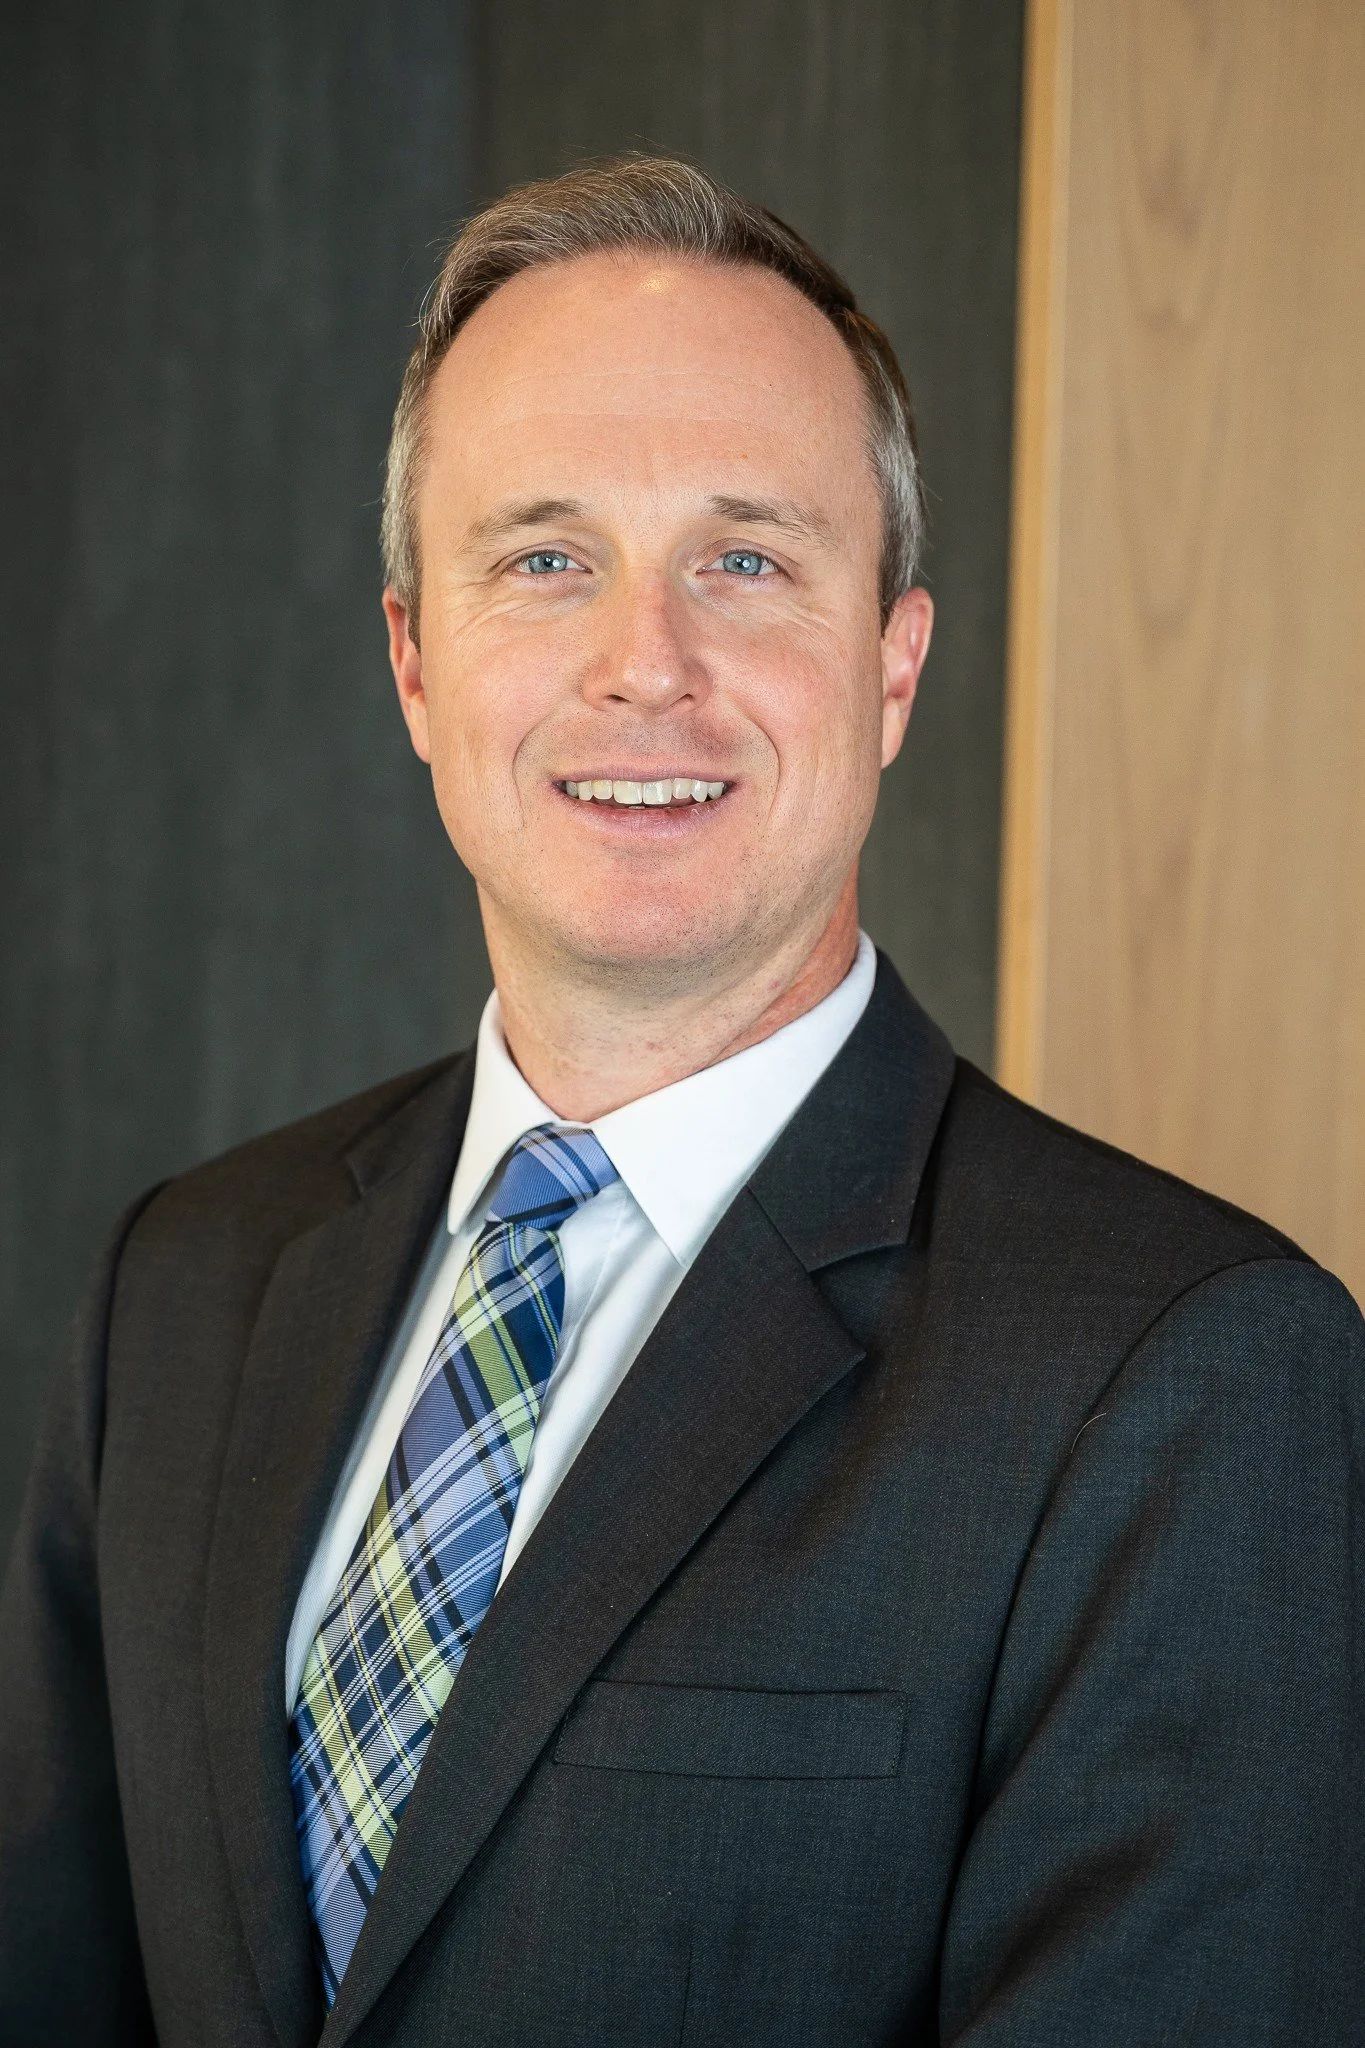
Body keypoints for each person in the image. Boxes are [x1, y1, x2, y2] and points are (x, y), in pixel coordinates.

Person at [0, 155, 1360, 2048]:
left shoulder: (1193, 1376)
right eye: (545, 559)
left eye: (747, 558)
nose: (647, 663)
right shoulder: (186, 1285)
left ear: (892, 668)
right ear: (415, 660)